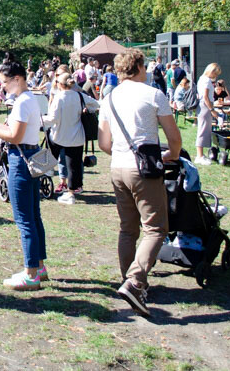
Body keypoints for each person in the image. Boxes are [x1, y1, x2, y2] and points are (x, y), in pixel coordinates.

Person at [97, 48, 182, 317]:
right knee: (156, 228)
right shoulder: (153, 94)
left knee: (127, 229)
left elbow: (104, 143)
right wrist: (171, 155)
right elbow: (174, 138)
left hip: (117, 168)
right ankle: (135, 282)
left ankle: (129, 279)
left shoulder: (109, 98)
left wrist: (122, 153)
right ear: (140, 67)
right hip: (144, 170)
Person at [0, 61, 50, 291]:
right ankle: (39, 266)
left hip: (21, 160)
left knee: (24, 219)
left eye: (5, 82)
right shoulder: (29, 99)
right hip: (30, 156)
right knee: (34, 215)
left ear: (17, 79)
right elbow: (15, 130)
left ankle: (30, 274)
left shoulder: (22, 102)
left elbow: (14, 136)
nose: (2, 86)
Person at [44, 70, 99, 204]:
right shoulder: (79, 96)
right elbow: (96, 104)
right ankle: (71, 192)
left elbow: (52, 119)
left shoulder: (59, 98)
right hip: (76, 136)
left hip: (59, 135)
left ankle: (48, 170)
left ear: (59, 84)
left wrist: (40, 120)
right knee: (74, 166)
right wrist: (87, 110)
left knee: (50, 151)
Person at [195, 63, 221, 165]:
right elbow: (205, 97)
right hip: (205, 106)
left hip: (204, 105)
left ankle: (201, 155)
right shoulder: (206, 80)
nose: (216, 76)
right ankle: (199, 156)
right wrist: (212, 109)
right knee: (202, 130)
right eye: (216, 73)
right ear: (212, 71)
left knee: (204, 129)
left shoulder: (202, 78)